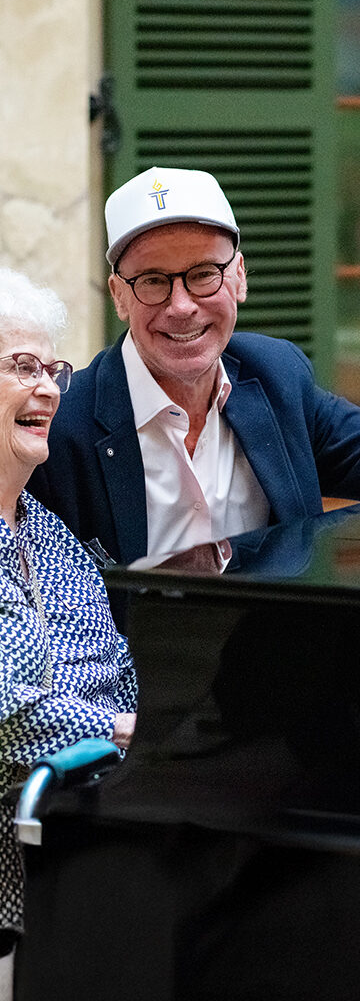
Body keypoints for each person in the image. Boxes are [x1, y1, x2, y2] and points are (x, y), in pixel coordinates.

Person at [27, 165, 360, 578]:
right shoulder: (60, 423)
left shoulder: (274, 376)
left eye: (204, 274)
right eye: (152, 281)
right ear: (119, 295)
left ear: (239, 277)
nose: (182, 305)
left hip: (272, 664)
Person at [0, 269, 137, 996]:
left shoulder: (52, 535)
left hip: (83, 862)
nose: (50, 390)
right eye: (24, 367)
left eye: (54, 371)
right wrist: (128, 733)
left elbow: (120, 668)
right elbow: (7, 709)